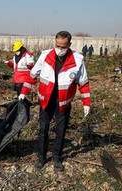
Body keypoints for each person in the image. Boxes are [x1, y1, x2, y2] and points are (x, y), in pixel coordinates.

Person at [18, 31, 91, 171]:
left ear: (69, 44)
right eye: (57, 46)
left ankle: (57, 158)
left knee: (61, 131)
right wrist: (23, 92)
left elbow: (83, 83)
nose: (60, 49)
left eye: (63, 47)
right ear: (55, 43)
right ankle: (42, 158)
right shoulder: (45, 56)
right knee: (43, 129)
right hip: (46, 100)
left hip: (63, 102)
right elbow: (32, 75)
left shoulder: (77, 60)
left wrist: (86, 103)